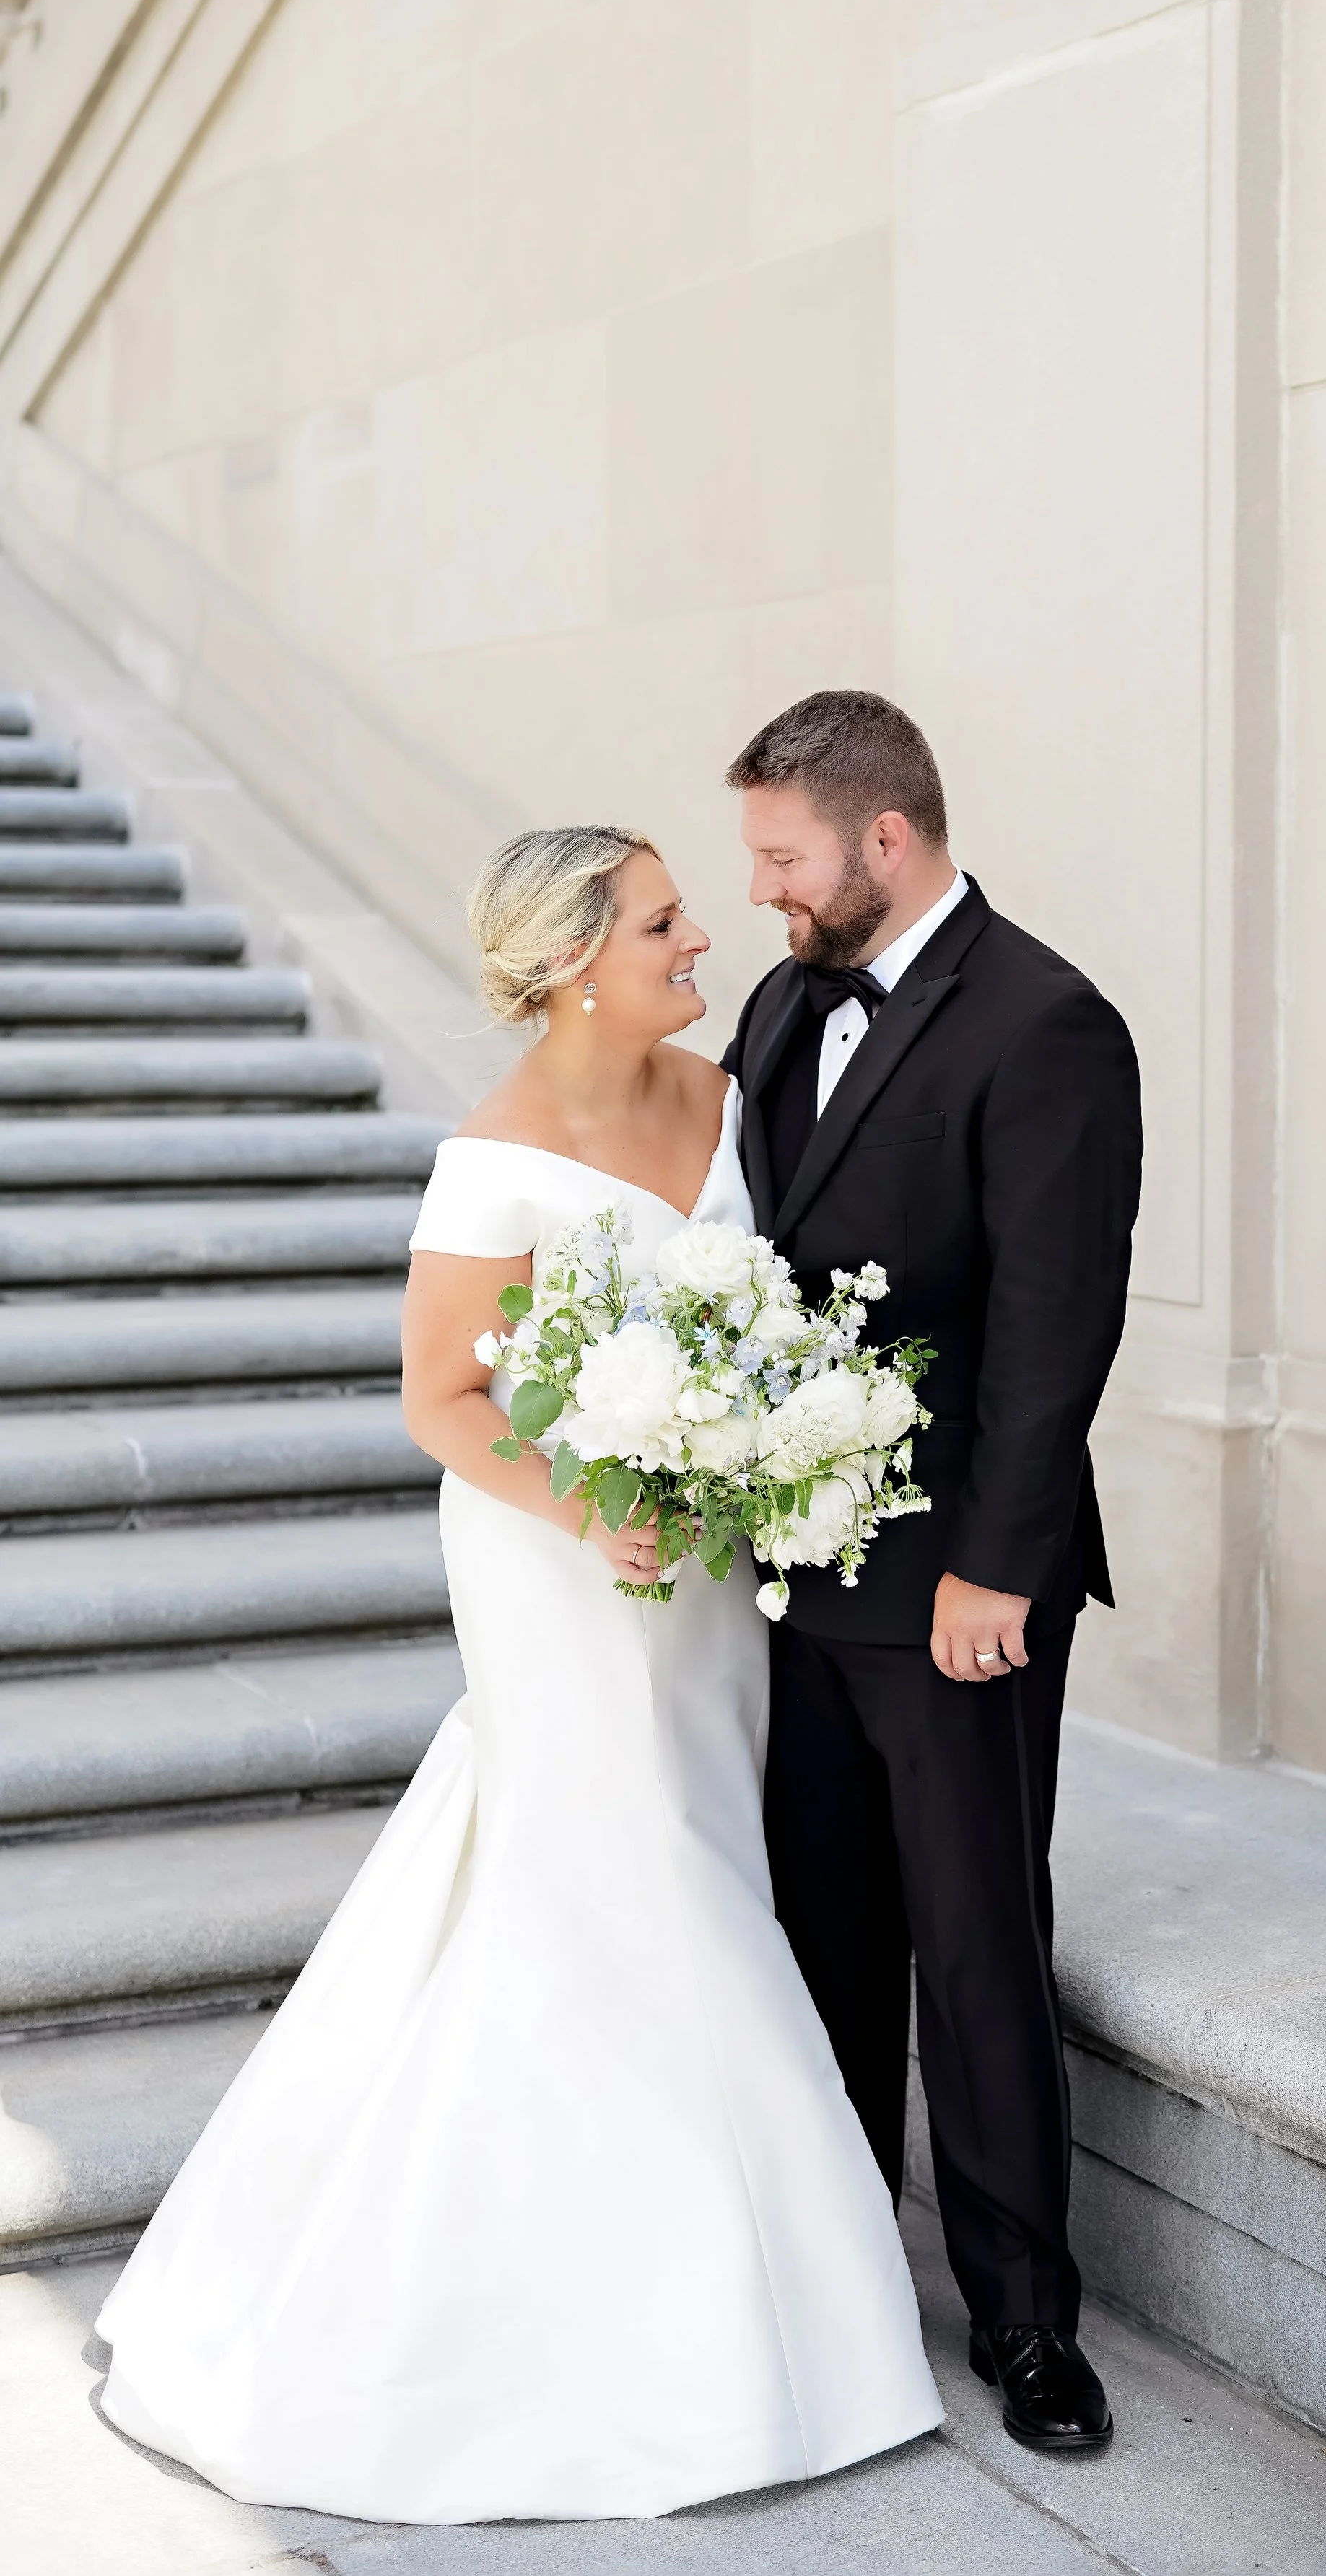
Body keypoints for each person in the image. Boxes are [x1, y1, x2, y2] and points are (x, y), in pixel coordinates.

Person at [94, 826, 942, 2524]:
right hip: (565, 1565)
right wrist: (596, 1508)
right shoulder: (487, 1163)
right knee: (630, 1882)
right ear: (570, 961)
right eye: (656, 919)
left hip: (703, 1568)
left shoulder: (723, 1098)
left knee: (698, 1856)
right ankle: (642, 2342)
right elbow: (442, 1401)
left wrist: (756, 1450)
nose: (697, 933)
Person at [723, 691, 1142, 2455]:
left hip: (956, 1593)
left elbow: (1058, 1327)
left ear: (881, 840)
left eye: (782, 858)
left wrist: (997, 1572)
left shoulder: (1047, 1022)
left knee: (975, 1946)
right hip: (795, 1584)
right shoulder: (775, 999)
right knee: (825, 1936)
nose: (761, 893)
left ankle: (1024, 2321)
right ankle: (838, 2278)